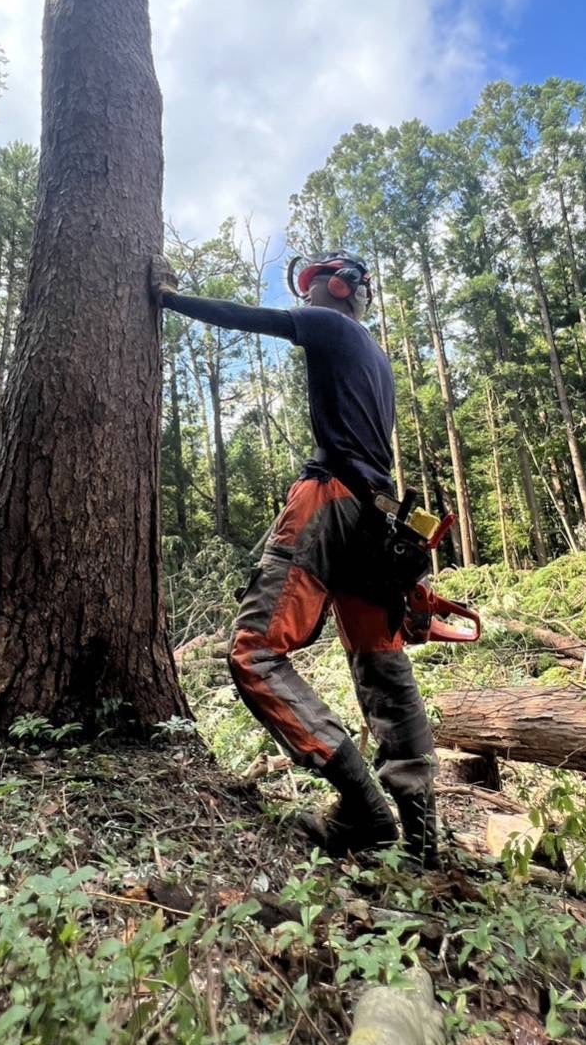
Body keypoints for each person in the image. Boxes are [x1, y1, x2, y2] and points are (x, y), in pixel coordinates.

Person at [152, 251, 437, 866]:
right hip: (380, 514)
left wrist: (171, 298)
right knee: (383, 667)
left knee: (253, 652)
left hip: (332, 499)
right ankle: (423, 842)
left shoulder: (332, 326)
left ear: (334, 289)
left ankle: (362, 809)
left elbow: (245, 317)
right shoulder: (376, 355)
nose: (308, 300)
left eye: (312, 289)